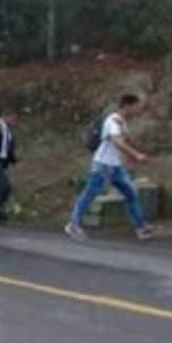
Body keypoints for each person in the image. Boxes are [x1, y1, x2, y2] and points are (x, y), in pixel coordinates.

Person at [65, 94, 156, 241]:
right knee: (89, 194)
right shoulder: (112, 121)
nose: (136, 111)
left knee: (130, 193)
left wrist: (129, 160)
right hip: (103, 165)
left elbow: (121, 146)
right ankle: (73, 224)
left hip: (115, 166)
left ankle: (141, 227)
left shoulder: (122, 123)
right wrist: (136, 155)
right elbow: (118, 142)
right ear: (127, 106)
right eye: (135, 107)